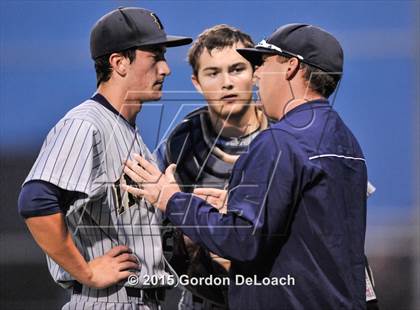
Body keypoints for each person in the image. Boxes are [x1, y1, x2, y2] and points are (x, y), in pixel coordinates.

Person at [123, 23, 369, 309]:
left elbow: (242, 240)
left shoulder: (280, 141)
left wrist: (173, 200)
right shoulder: (347, 141)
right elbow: (323, 233)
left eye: (262, 62)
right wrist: (236, 205)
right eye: (214, 73)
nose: (257, 75)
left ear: (290, 67)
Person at [17, 7, 191, 310]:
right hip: (106, 300)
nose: (165, 69)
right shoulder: (87, 124)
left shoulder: (131, 136)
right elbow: (35, 200)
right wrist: (86, 272)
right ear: (119, 62)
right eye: (155, 56)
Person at [156, 25, 268, 309]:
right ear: (196, 82)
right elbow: (155, 229)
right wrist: (188, 241)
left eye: (237, 69)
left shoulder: (289, 134)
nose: (226, 82)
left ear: (256, 73)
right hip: (203, 299)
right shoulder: (178, 144)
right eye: (213, 73)